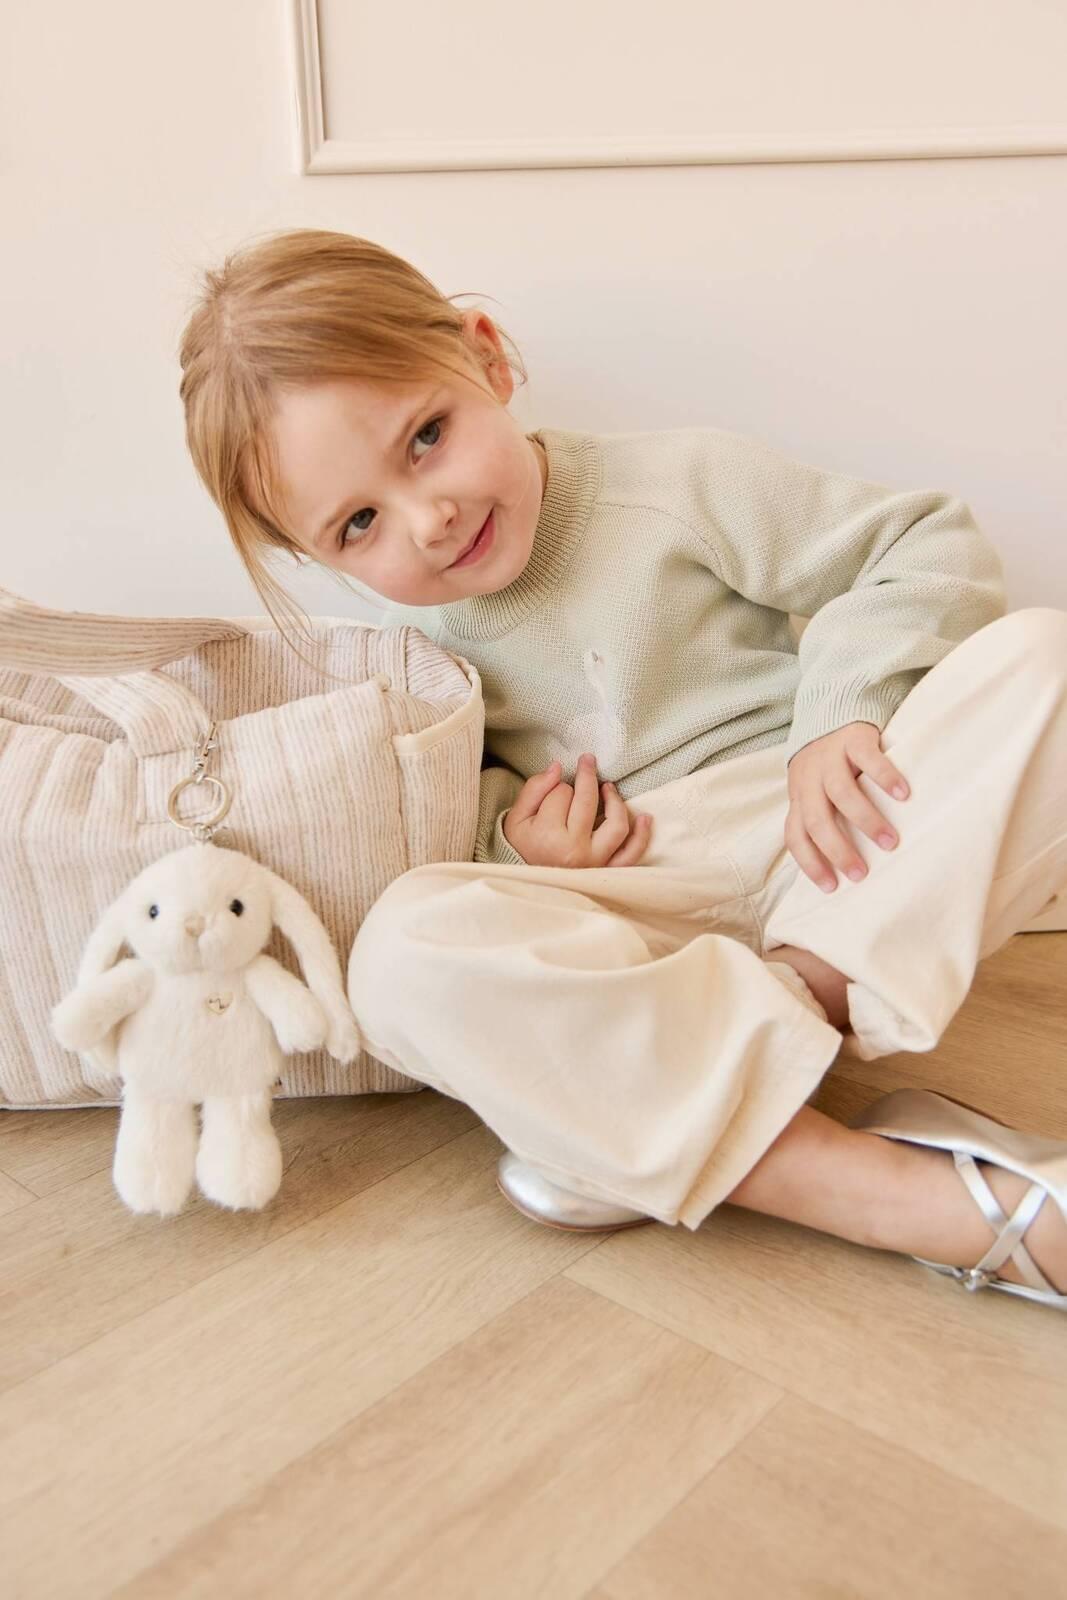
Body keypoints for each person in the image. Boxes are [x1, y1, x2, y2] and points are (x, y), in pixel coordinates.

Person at [179, 228, 1067, 1312]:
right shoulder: (404, 656)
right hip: (644, 908)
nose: (428, 520)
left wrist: (839, 715)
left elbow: (918, 546)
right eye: (359, 524)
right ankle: (893, 1194)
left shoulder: (675, 482)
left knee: (1043, 657)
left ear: (486, 356)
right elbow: (463, 828)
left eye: (426, 438)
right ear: (315, 555)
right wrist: (521, 848)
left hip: (827, 841)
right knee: (399, 952)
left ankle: (695, 1085)